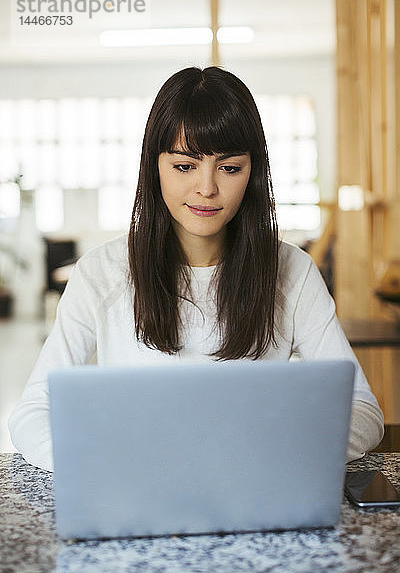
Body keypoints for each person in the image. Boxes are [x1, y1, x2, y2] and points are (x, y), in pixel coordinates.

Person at [8, 66, 384, 472]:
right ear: (155, 168)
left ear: (253, 173)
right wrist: (100, 466)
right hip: (138, 493)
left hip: (253, 492)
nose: (207, 188)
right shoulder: (101, 273)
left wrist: (282, 455)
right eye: (185, 166)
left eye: (229, 167)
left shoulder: (292, 270)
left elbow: (362, 411)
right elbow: (32, 412)